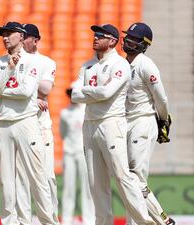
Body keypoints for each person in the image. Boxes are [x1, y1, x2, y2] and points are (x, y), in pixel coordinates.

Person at [71, 24, 155, 225]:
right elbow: (74, 95)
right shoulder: (87, 66)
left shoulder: (120, 64)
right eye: (95, 34)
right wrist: (95, 92)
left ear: (113, 41)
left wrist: (87, 92)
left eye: (101, 35)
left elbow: (107, 93)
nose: (95, 37)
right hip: (90, 124)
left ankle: (146, 222)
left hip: (111, 123)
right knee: (96, 183)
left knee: (122, 176)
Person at [0, 21, 57, 225]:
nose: (5, 38)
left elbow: (26, 91)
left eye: (9, 34)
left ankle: (48, 221)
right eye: (3, 34)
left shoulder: (34, 62)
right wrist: (9, 70)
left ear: (20, 35)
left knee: (38, 177)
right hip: (2, 123)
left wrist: (3, 90)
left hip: (26, 122)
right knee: (6, 180)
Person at [122, 22, 175, 225]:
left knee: (135, 178)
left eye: (134, 39)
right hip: (127, 124)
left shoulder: (146, 65)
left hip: (143, 123)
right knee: (128, 180)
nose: (128, 41)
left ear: (144, 45)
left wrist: (163, 119)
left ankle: (163, 221)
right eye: (127, 37)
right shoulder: (122, 64)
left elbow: (161, 98)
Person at [15, 23, 59, 224]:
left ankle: (51, 220)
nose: (22, 41)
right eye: (20, 36)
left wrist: (25, 83)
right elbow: (6, 92)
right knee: (21, 180)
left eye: (25, 37)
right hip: (19, 124)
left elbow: (46, 89)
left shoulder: (46, 62)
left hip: (41, 126)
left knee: (46, 177)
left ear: (35, 40)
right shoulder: (12, 61)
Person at [60, 87, 95, 225]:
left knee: (87, 187)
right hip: (69, 152)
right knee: (68, 188)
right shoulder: (65, 113)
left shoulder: (85, 109)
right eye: (70, 94)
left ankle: (89, 220)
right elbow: (62, 133)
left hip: (83, 152)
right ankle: (67, 220)